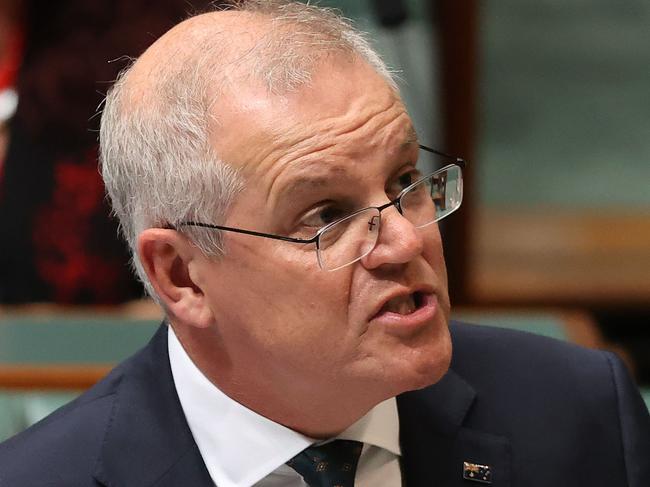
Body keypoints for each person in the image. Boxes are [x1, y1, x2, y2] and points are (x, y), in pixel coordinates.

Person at [0, 1, 648, 486]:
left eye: (404, 180)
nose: (402, 239)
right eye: (326, 216)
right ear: (182, 276)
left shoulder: (579, 410)